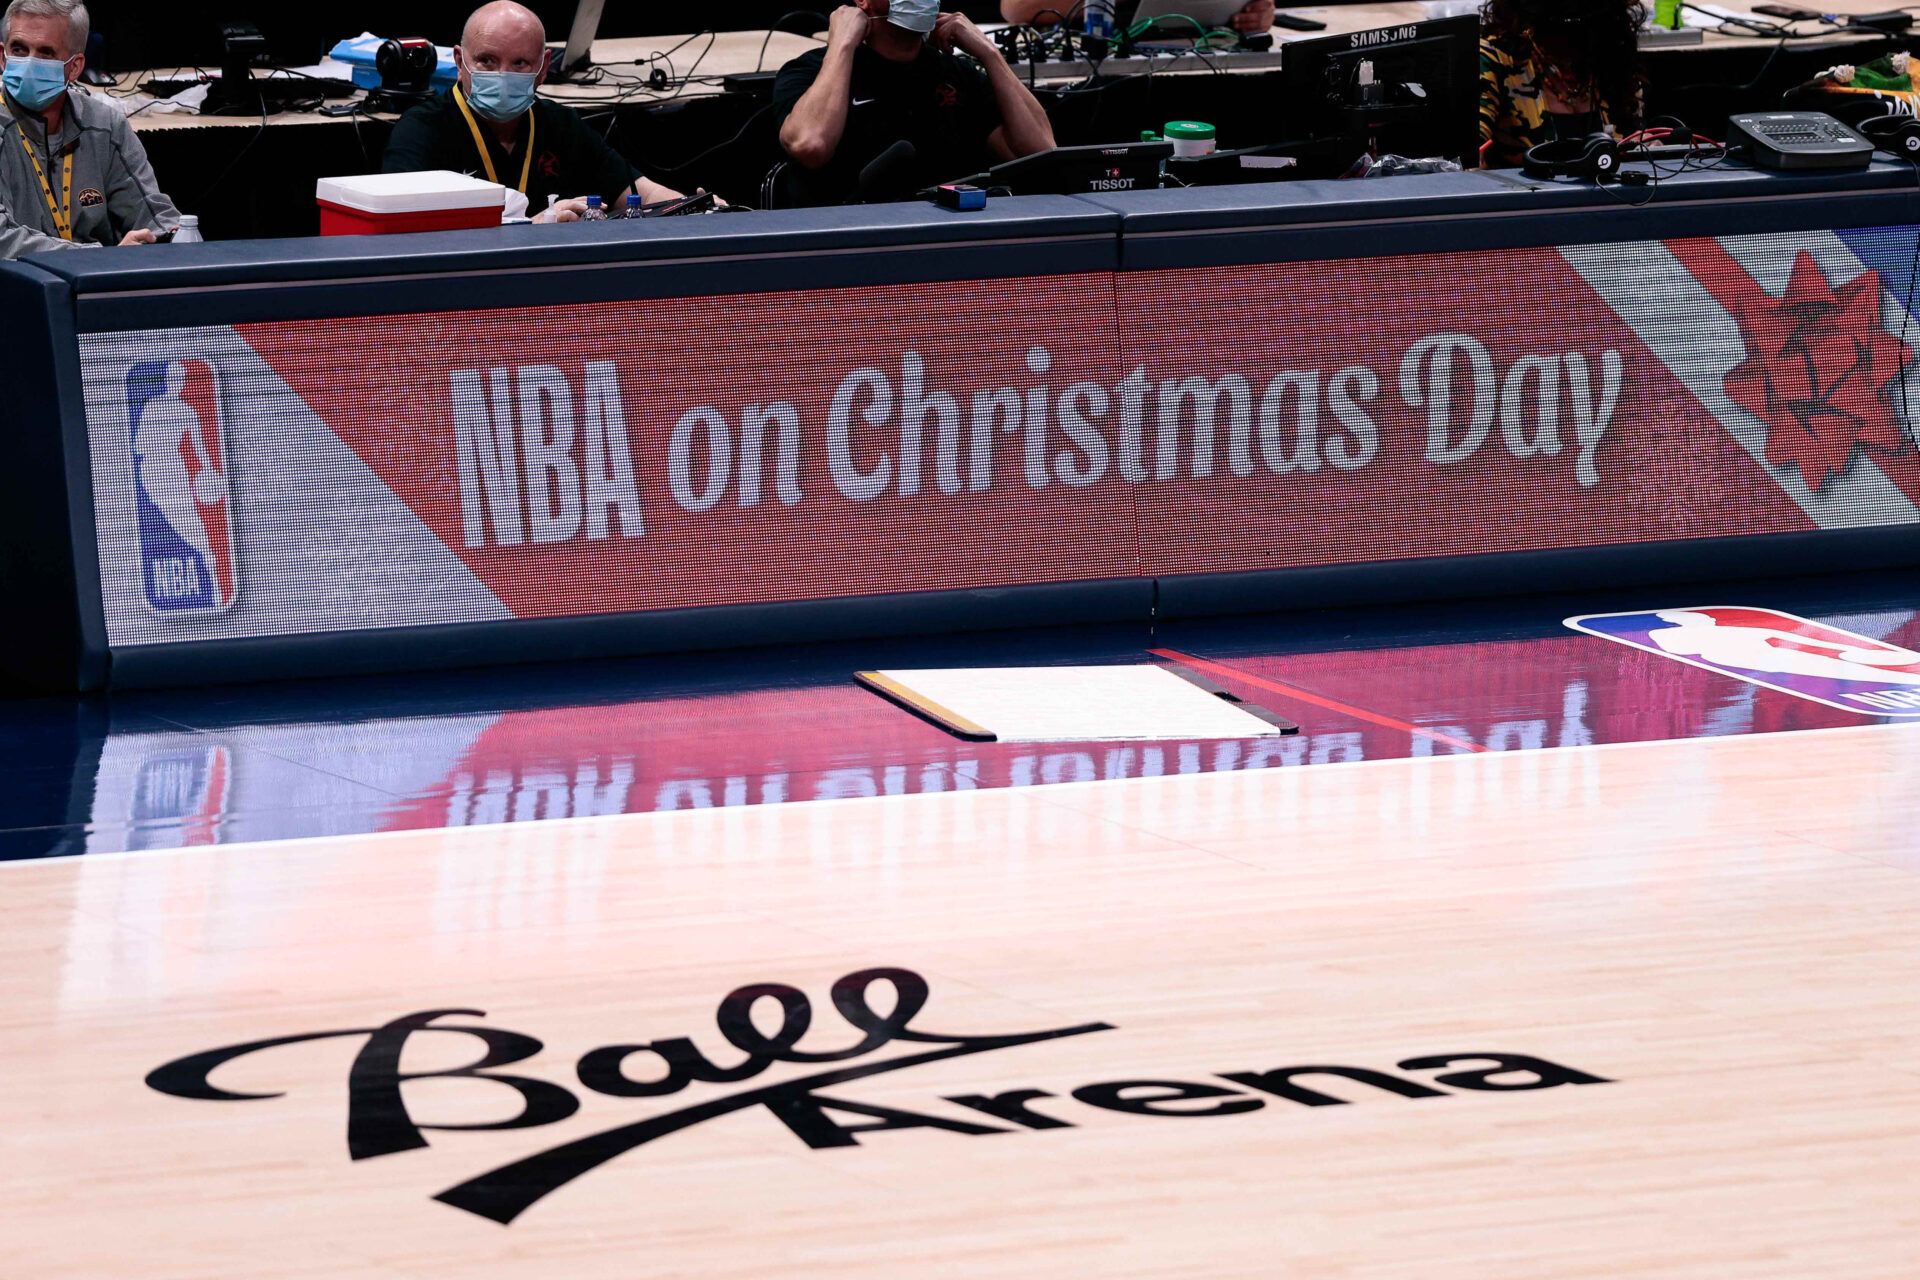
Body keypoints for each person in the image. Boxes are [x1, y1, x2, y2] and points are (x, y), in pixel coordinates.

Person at [383, 1, 685, 222]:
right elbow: (404, 231)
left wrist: (701, 208)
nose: (502, 75)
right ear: (460, 62)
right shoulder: (421, 131)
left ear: (542, 69)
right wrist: (529, 228)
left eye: (520, 64)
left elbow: (640, 192)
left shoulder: (560, 123)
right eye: (487, 61)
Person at [775, 0, 1056, 206]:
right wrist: (842, 45)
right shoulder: (810, 72)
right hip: (848, 240)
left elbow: (1042, 153)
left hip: (949, 237)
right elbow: (810, 146)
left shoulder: (957, 73)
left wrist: (990, 54)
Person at [0, 0, 178, 258]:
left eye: (46, 52)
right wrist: (99, 259)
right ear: (3, 57)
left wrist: (166, 238)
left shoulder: (106, 126)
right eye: (19, 49)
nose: (29, 63)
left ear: (75, 67)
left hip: (99, 290)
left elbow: (156, 216)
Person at [1479, 0, 1646, 169]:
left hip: (1610, 194)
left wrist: (1647, 151)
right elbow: (1461, 159)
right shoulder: (1496, 57)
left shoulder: (1612, 53)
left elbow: (1631, 145)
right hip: (1523, 193)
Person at [999, 0, 1274, 36]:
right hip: (1094, 78)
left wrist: (1256, 13)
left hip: (1202, 59)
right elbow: (1015, 8)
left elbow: (1257, 6)